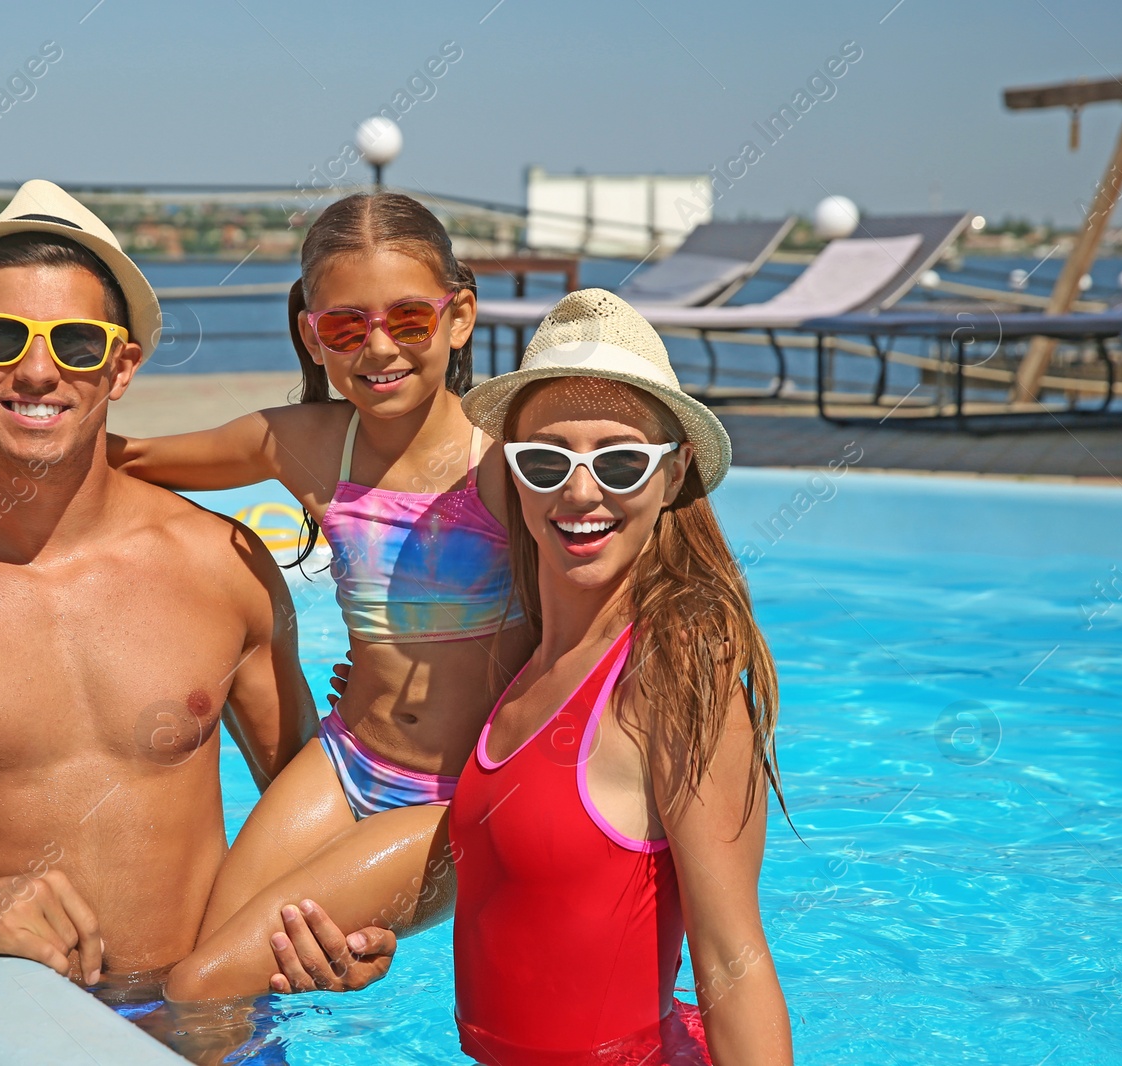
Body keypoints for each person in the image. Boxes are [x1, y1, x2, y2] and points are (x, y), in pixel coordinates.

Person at [0, 192, 534, 1000]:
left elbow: (618, 591)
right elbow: (115, 455)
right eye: (346, 327)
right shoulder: (304, 443)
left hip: (464, 793)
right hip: (346, 764)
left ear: (461, 317)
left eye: (409, 320)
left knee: (204, 982)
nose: (378, 347)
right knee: (206, 962)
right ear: (313, 334)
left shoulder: (517, 465)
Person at [0, 181, 389, 1004]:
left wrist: (340, 926)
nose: (39, 370)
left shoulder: (222, 563)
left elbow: (309, 792)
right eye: (2, 337)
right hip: (15, 1031)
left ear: (121, 368)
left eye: (79, 343)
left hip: (220, 1021)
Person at [273, 291, 793, 1063]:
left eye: (620, 461)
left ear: (676, 470)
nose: (580, 493)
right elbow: (514, 882)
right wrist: (376, 943)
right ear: (511, 474)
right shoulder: (523, 664)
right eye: (546, 461)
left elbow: (732, 963)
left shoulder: (677, 665)